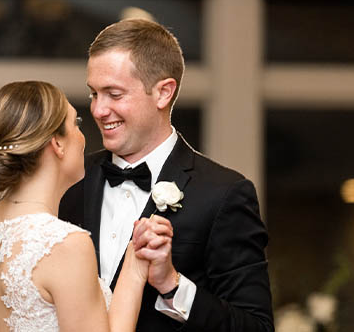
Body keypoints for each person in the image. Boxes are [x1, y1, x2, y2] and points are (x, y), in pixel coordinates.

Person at [59, 19, 274, 332]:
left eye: (114, 94)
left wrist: (172, 284)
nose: (98, 110)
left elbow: (256, 327)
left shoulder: (224, 193)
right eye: (94, 94)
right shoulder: (70, 181)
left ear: (163, 93)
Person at [0, 80, 173, 332]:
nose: (82, 136)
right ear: (57, 143)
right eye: (76, 124)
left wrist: (134, 265)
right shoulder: (63, 243)